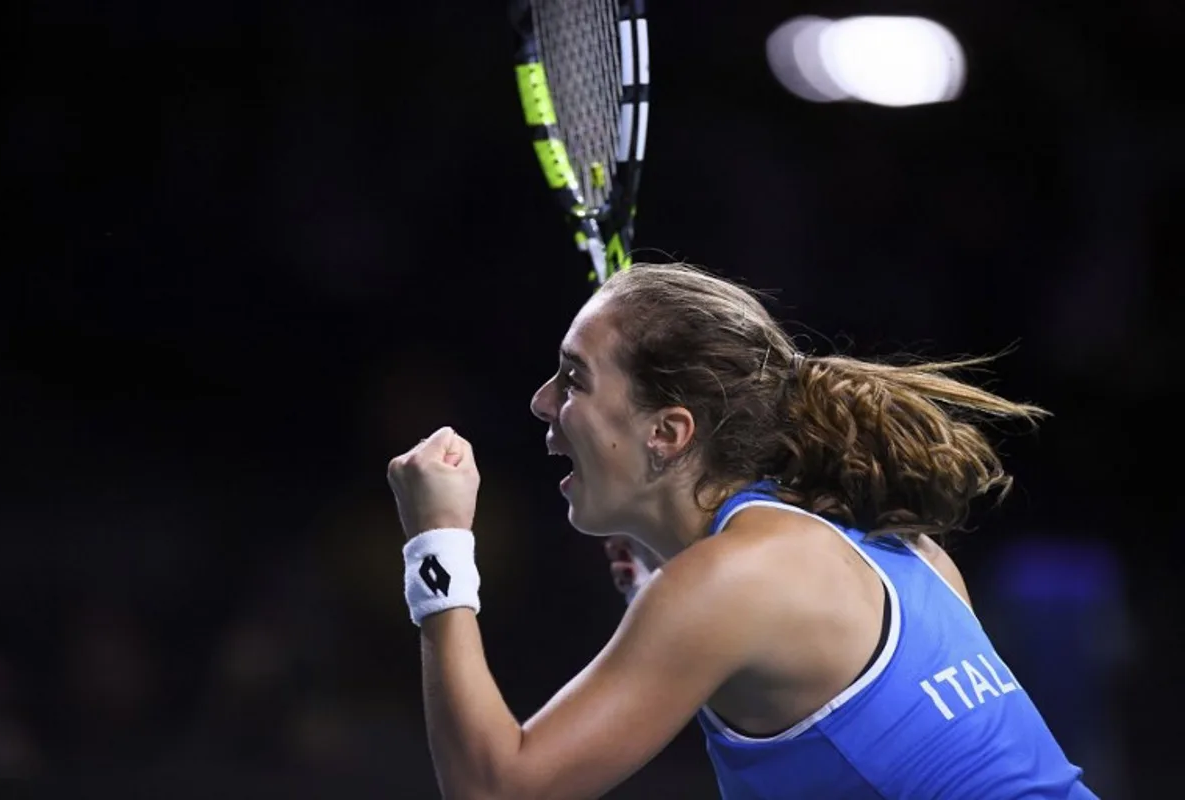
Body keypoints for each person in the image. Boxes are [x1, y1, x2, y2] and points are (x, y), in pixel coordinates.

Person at [387, 262, 1098, 799]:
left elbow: (496, 788)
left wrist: (438, 543)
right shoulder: (891, 546)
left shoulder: (733, 581)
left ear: (667, 432)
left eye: (574, 379)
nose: (543, 402)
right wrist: (666, 600)